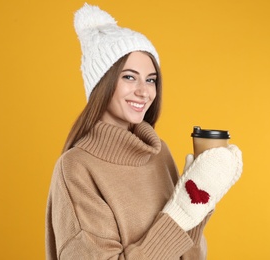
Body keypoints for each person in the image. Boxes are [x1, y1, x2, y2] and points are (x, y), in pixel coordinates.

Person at [45, 3, 243, 259]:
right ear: (102, 83)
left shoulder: (159, 153)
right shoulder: (76, 168)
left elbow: (190, 256)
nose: (144, 91)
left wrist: (201, 202)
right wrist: (179, 214)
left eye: (151, 79)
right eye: (129, 77)